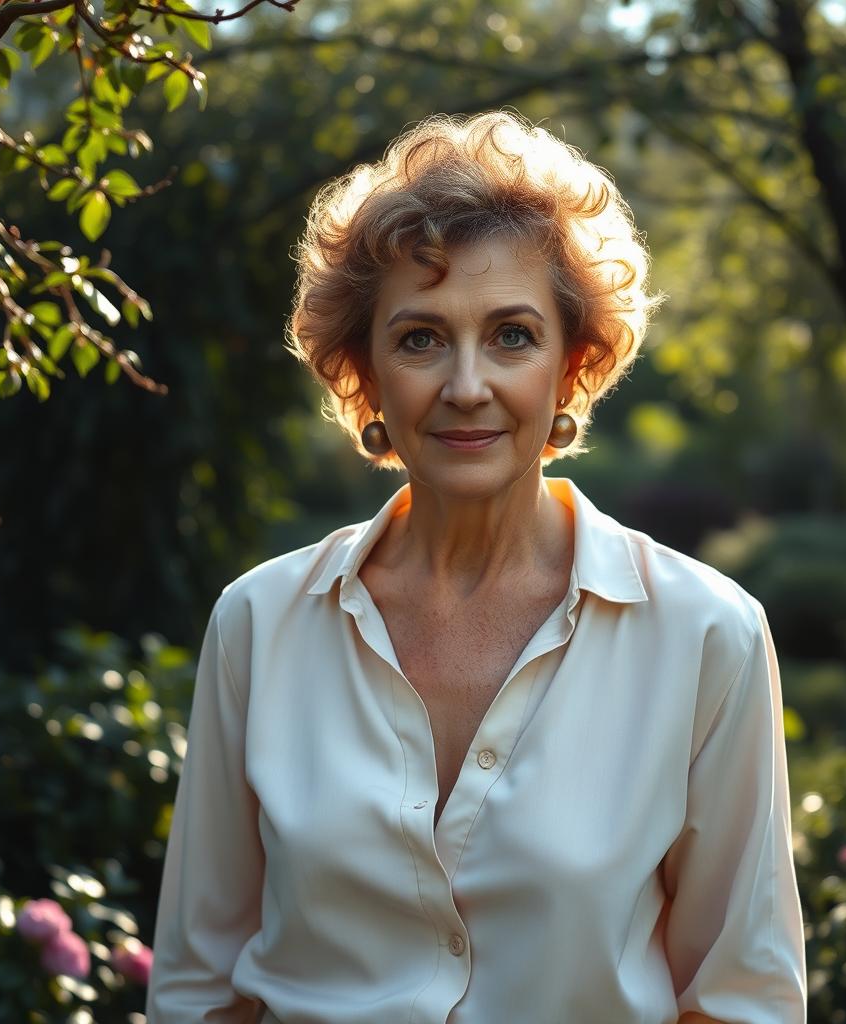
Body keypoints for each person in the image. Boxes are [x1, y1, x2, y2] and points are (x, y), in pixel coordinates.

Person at [146, 110, 807, 1024]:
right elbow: (199, 990)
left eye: (512, 336)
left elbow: (744, 1001)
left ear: (572, 367)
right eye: (419, 338)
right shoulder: (259, 625)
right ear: (364, 373)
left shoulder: (706, 636)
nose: (466, 386)